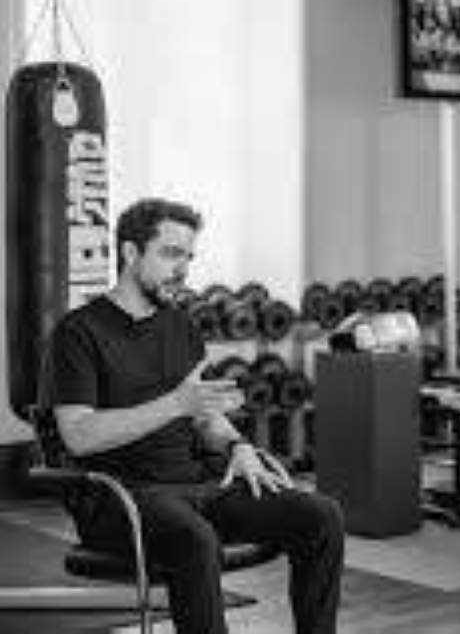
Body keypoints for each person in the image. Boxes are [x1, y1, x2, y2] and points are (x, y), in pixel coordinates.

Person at [41, 198, 344, 634]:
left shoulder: (180, 327)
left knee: (321, 516)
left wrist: (238, 446)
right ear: (130, 253)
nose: (182, 269)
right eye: (170, 254)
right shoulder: (77, 332)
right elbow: (79, 435)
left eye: (188, 256)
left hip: (198, 486)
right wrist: (175, 404)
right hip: (121, 499)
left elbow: (205, 417)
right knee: (195, 538)